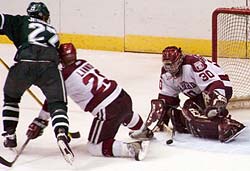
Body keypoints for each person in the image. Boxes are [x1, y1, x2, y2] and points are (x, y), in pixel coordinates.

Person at [26, 42, 153, 161]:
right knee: (126, 114)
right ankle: (143, 131)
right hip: (122, 96)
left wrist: (41, 120)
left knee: (94, 147)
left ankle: (132, 148)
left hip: (108, 109)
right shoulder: (82, 62)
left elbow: (52, 101)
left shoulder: (62, 77)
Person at [0, 2, 74, 164]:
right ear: (45, 16)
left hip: (24, 63)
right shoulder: (52, 31)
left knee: (11, 98)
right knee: (58, 103)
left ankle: (10, 136)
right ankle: (61, 133)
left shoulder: (20, 21)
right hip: (49, 66)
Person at [147, 46, 245, 143]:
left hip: (219, 87)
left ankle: (227, 125)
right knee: (187, 111)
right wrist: (161, 120)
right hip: (201, 94)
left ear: (180, 60)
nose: (170, 68)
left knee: (198, 111)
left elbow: (213, 83)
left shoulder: (193, 63)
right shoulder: (166, 74)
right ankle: (185, 120)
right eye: (167, 65)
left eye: (172, 64)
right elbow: (167, 98)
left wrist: (217, 101)